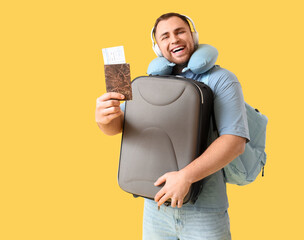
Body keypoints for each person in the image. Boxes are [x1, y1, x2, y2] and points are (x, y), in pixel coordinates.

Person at [95, 12, 249, 240]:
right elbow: (120, 128)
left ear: (193, 36)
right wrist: (104, 119)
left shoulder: (222, 79)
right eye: (165, 36)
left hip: (204, 211)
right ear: (157, 47)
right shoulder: (148, 83)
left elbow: (234, 142)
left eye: (180, 32)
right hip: (155, 206)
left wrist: (186, 176)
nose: (174, 39)